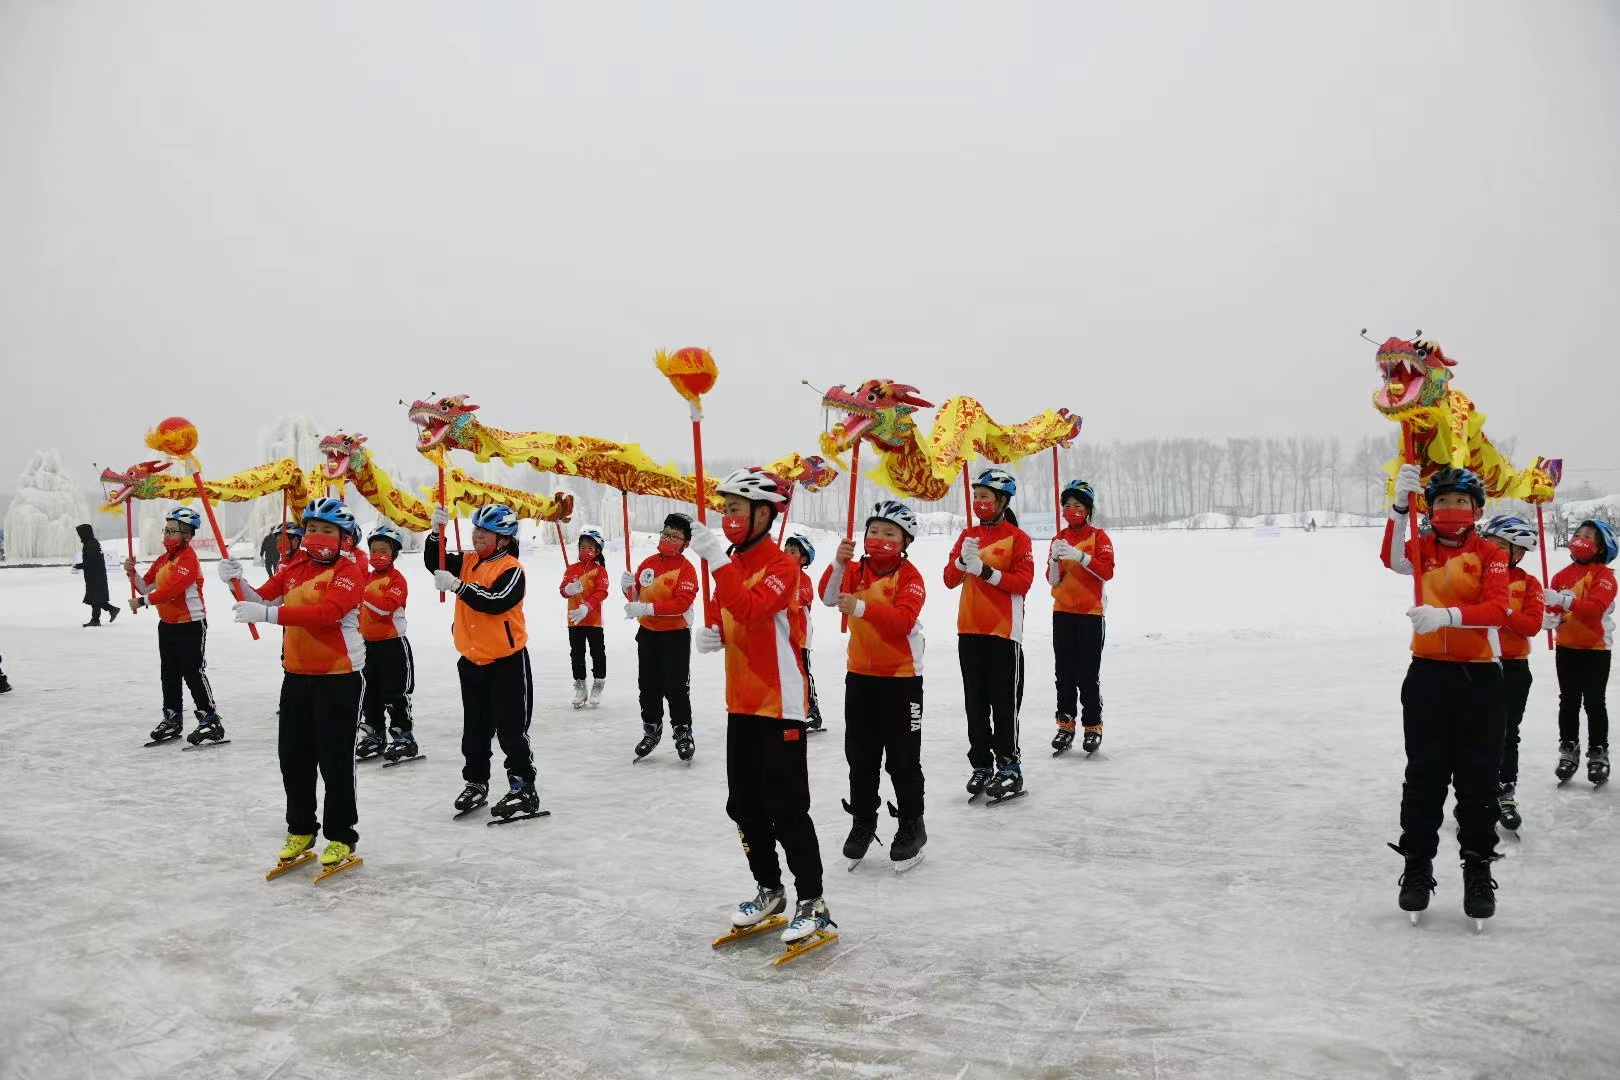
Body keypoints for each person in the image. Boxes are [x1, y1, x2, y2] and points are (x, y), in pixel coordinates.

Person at [691, 467, 833, 946]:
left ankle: (813, 900)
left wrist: (716, 561)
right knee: (744, 805)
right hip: (742, 701)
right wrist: (713, 632)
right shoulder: (733, 562)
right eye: (725, 509)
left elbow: (752, 609)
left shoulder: (782, 565)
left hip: (781, 704)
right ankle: (770, 888)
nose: (727, 518)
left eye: (736, 509)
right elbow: (728, 611)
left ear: (763, 514)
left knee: (787, 807)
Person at [1381, 465, 1509, 924]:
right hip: (1428, 676)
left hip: (1480, 680)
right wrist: (1400, 507)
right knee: (1424, 777)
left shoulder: (1491, 553)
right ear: (1430, 508)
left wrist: (1447, 616)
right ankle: (1417, 866)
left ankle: (1477, 869)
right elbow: (1391, 558)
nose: (1450, 508)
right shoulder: (1423, 550)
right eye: (1440, 501)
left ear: (1477, 510)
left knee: (1478, 780)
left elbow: (1497, 609)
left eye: (1460, 501)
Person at [220, 498, 368, 871]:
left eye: (327, 530)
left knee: (334, 762)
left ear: (345, 538)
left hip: (338, 677)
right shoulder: (294, 567)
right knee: (294, 759)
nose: (317, 536)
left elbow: (327, 614)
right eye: (312, 528)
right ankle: (301, 829)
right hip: (297, 675)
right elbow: (259, 599)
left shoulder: (351, 569)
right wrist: (235, 580)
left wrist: (268, 615)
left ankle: (341, 836)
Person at [819, 500, 928, 870]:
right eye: (874, 531)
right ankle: (863, 820)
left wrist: (861, 608)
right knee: (861, 757)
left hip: (901, 680)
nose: (879, 537)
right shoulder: (855, 569)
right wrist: (838, 564)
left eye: (889, 533)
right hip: (860, 677)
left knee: (902, 759)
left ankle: (912, 824)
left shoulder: (910, 577)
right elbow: (828, 597)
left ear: (905, 540)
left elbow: (902, 621)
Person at [428, 503, 541, 820]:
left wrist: (457, 586)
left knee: (511, 730)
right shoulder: (468, 561)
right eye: (476, 529)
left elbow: (496, 601)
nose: (477, 535)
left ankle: (523, 787)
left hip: (506, 663)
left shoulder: (511, 569)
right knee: (475, 730)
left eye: (486, 532)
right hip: (471, 661)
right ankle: (476, 781)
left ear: (503, 539)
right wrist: (436, 534)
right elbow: (434, 562)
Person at [943, 468, 1035, 800]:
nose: (979, 502)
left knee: (1004, 704)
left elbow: (1022, 583)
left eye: (985, 497)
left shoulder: (1018, 538)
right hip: (969, 630)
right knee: (976, 705)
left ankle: (1010, 767)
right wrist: (961, 562)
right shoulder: (968, 535)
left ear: (1002, 501)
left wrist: (984, 570)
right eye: (976, 496)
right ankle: (981, 763)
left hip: (1003, 633)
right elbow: (948, 580)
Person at [125, 507, 223, 745]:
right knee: (169, 673)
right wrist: (132, 573)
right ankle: (172, 718)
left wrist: (143, 601)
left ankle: (210, 719)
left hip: (191, 624)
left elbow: (171, 591)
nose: (167, 535)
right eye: (166, 530)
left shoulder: (189, 560)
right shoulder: (163, 560)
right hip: (167, 624)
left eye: (172, 531)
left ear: (186, 536)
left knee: (192, 671)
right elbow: (146, 586)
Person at [1477, 516, 1544, 831]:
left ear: (1518, 552)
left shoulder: (1529, 584)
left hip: (1513, 667)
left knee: (1506, 733)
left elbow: (1531, 625)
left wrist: (1500, 611)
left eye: (1503, 546)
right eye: (1492, 543)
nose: (1494, 550)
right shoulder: (1473, 576)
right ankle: (1476, 794)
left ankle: (1505, 792)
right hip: (1476, 664)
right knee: (1474, 733)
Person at [1544, 519, 1617, 786]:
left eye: (1589, 536)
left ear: (1601, 546)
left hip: (1596, 649)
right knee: (1568, 701)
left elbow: (1594, 610)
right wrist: (1550, 617)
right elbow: (1554, 609)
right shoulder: (1561, 576)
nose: (1581, 539)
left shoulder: (1605, 576)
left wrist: (1562, 600)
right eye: (1578, 534)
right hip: (1566, 647)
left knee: (1595, 701)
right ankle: (1568, 747)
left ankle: (1598, 751)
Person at [623, 513, 699, 760]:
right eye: (666, 534)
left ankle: (683, 731)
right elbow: (637, 597)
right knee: (648, 686)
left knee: (676, 687)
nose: (667, 539)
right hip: (648, 635)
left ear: (685, 543)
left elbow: (681, 603)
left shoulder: (686, 570)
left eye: (674, 536)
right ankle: (651, 729)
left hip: (675, 636)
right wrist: (627, 587)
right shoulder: (648, 563)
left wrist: (646, 608)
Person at [1047, 480, 1115, 755]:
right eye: (1067, 505)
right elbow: (1052, 580)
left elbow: (1106, 572)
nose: (1071, 510)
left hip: (1090, 614)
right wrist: (1054, 560)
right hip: (1063, 613)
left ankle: (1092, 725)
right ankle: (1065, 725)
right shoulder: (1058, 538)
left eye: (1077, 505)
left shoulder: (1099, 537)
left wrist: (1080, 556)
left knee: (1087, 674)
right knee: (1064, 674)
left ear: (1087, 509)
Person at [356, 523, 417, 763]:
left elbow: (385, 607)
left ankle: (403, 737)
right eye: (374, 551)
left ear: (394, 553)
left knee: (395, 694)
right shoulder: (365, 578)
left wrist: (361, 591)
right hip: (367, 646)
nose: (377, 555)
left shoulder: (396, 580)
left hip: (393, 646)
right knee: (369, 693)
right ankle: (374, 734)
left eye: (383, 551)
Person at [561, 529, 610, 709]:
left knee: (597, 652)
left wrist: (586, 607)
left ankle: (598, 683)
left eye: (590, 548)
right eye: (582, 547)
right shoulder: (571, 569)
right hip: (574, 619)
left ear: (597, 551)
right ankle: (580, 686)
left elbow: (602, 592)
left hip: (593, 620)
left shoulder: (600, 571)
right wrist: (568, 590)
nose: (585, 551)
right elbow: (562, 590)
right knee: (576, 653)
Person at [784, 534, 825, 731]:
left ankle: (812, 710)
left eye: (792, 552)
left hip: (800, 633)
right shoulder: (777, 575)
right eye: (785, 550)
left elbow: (798, 599)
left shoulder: (805, 580)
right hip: (781, 633)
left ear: (803, 559)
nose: (787, 554)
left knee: (802, 671)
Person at [74, 523, 119, 627]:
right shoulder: (91, 543)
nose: (79, 536)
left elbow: (92, 562)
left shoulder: (91, 545)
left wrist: (80, 565)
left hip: (95, 577)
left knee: (95, 598)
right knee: (95, 598)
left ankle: (102, 616)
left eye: (80, 534)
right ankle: (102, 616)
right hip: (95, 576)